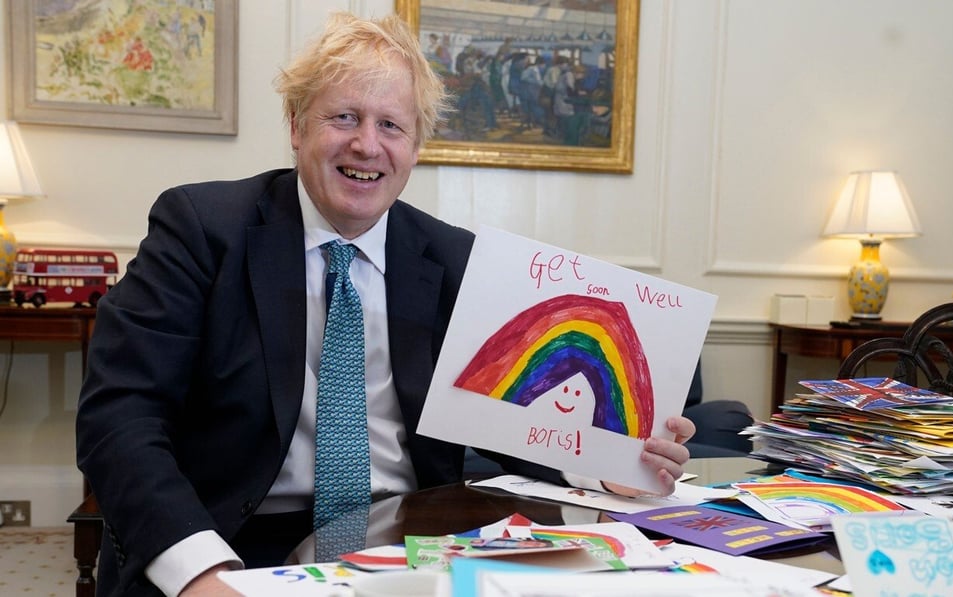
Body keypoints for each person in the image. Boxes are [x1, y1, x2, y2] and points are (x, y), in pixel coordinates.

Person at [76, 12, 696, 597]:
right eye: (343, 117)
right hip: (233, 539)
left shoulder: (454, 258)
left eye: (391, 125)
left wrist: (605, 463)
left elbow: (508, 419)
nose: (367, 146)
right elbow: (120, 415)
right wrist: (198, 569)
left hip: (412, 539)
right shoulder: (201, 228)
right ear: (296, 126)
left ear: (416, 145)